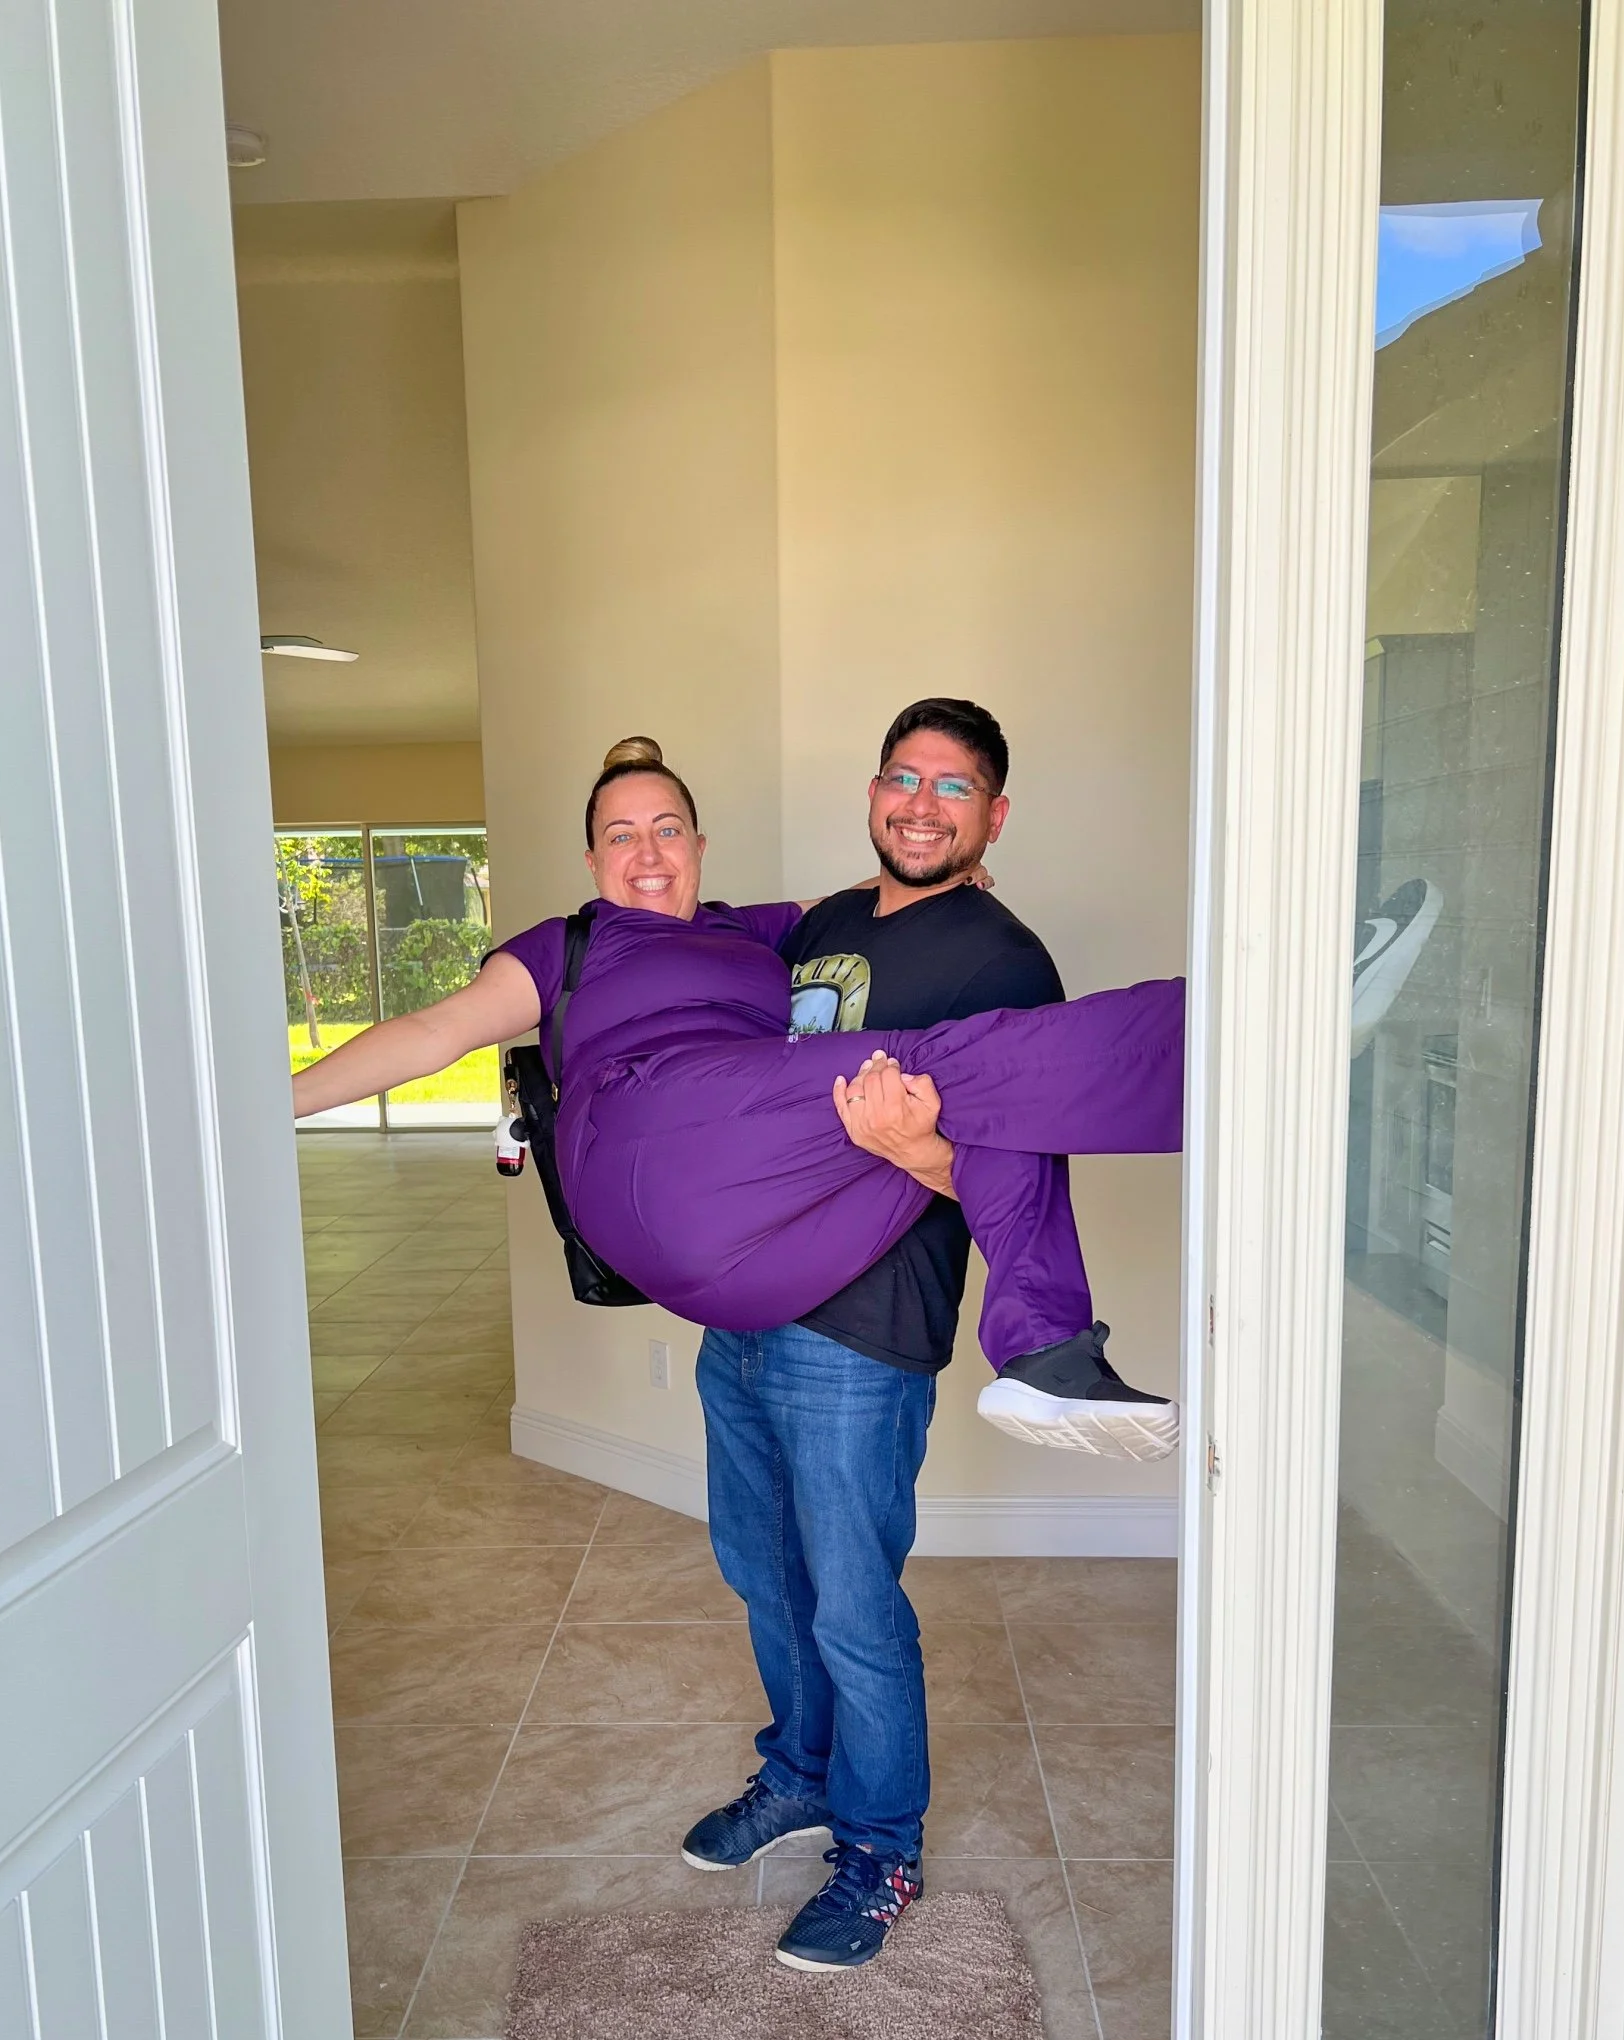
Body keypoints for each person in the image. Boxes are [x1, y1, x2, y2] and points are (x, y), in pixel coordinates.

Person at [291, 710, 1181, 1967]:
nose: (645, 853)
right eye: (619, 835)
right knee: (765, 1574)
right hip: (738, 1299)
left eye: (666, 830)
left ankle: (879, 1848)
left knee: (850, 1600)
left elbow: (979, 1154)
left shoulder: (787, 940)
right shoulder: (626, 941)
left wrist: (905, 1140)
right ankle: (804, 1773)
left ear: (700, 846)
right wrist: (263, 1106)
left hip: (860, 1327)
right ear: (591, 858)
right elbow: (436, 1030)